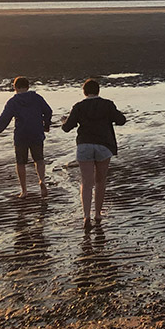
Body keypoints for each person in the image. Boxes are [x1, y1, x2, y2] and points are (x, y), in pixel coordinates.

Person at [61, 79, 126, 231]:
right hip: (104, 145)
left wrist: (64, 121)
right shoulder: (107, 104)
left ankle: (86, 216)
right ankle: (97, 214)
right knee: (100, 180)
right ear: (98, 91)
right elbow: (121, 120)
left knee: (86, 181)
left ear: (84, 92)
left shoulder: (78, 106)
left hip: (84, 145)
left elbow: (66, 128)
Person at [0, 76, 52, 199]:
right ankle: (42, 181)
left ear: (15, 87)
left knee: (20, 162)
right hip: (36, 132)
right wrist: (46, 124)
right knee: (39, 159)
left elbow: (4, 119)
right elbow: (48, 111)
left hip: (21, 135)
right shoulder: (37, 98)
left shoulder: (13, 102)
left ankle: (24, 190)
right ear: (28, 87)